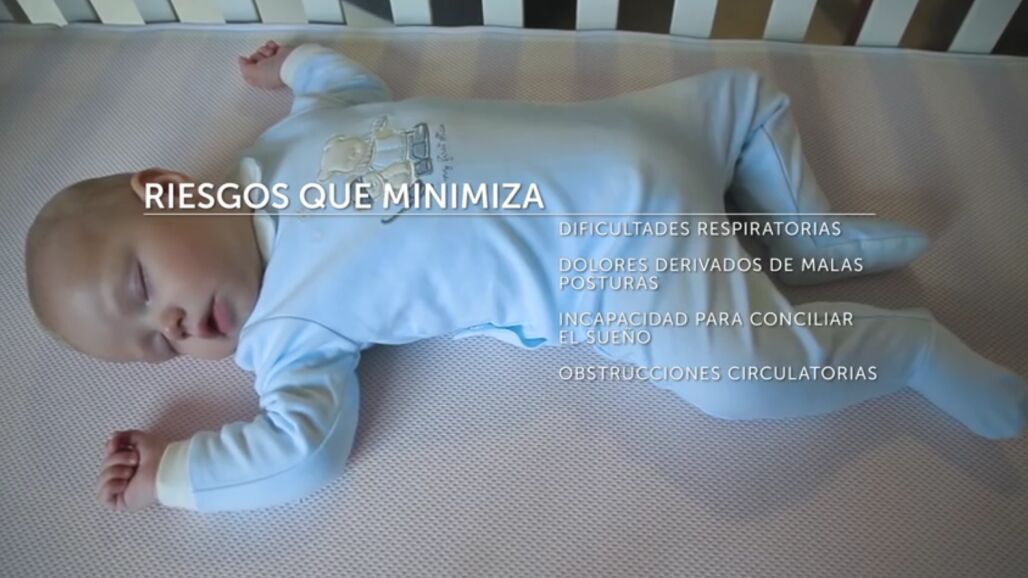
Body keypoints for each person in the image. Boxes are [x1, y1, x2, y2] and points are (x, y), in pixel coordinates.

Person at [24, 41, 1027, 513]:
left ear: (169, 189)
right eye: (153, 345)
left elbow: (352, 86)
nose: (172, 326)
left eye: (140, 289)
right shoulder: (286, 334)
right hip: (622, 267)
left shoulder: (287, 141)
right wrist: (177, 472)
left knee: (747, 97)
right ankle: (904, 350)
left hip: (648, 135)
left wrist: (292, 64)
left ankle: (799, 237)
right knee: (737, 379)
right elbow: (301, 453)